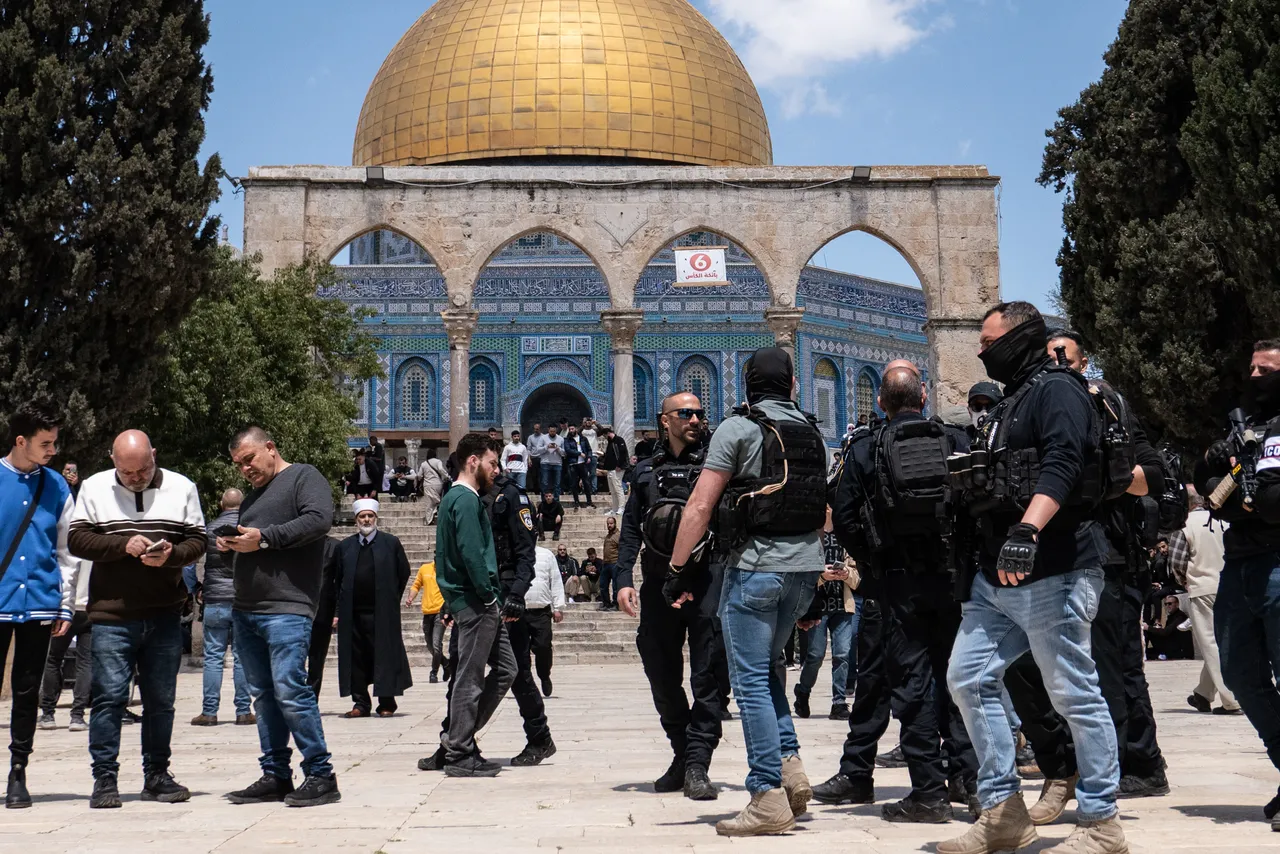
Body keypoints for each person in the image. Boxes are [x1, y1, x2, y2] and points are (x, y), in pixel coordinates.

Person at [940, 302, 1122, 854]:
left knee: (1074, 694)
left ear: (1020, 339)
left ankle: (1101, 821)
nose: (980, 350)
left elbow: (1064, 462)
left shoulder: (1058, 390)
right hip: (996, 578)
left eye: (989, 341)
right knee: (968, 679)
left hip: (1055, 567)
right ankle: (1003, 811)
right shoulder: (1008, 403)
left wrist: (1027, 529)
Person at [1003, 330, 1170, 831]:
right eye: (1048, 358)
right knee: (1035, 669)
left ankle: (1131, 768)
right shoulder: (1029, 409)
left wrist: (1099, 476)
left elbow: (1154, 474)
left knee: (1112, 670)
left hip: (1110, 556)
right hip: (1052, 562)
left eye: (1064, 358)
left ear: (1083, 362)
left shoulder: (1109, 410)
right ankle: (1079, 767)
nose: (1056, 366)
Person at [668, 348, 829, 836]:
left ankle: (765, 795)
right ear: (794, 384)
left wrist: (677, 565)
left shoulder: (737, 429)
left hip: (757, 569)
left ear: (746, 385)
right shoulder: (811, 432)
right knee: (767, 673)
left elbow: (699, 505)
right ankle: (791, 769)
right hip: (805, 571)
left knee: (752, 682)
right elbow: (821, 513)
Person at [817, 364, 978, 824]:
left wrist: (872, 563)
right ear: (924, 396)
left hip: (896, 583)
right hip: (952, 582)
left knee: (911, 684)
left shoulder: (865, 449)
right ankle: (969, 779)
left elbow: (844, 517)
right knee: (958, 681)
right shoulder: (955, 441)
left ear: (880, 404)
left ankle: (928, 791)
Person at [69, 429, 206, 809]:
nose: (135, 479)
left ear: (154, 456)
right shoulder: (95, 488)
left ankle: (157, 775)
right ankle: (105, 779)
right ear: (114, 463)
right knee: (110, 698)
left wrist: (172, 555)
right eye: (127, 473)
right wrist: (121, 544)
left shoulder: (181, 487)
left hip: (163, 613)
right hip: (113, 615)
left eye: (143, 470)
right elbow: (78, 541)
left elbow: (198, 540)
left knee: (161, 701)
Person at [615, 391, 725, 802]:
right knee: (661, 673)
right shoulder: (645, 472)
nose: (695, 419)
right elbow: (630, 528)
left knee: (708, 678)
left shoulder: (717, 469)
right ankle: (683, 753)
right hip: (659, 585)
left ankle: (697, 765)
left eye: (699, 413)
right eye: (686, 413)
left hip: (705, 583)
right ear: (666, 420)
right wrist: (623, 576)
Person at [221, 426, 339, 808]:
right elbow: (255, 542)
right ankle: (276, 774)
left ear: (270, 447)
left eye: (250, 458)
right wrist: (232, 544)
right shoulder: (253, 498)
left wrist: (265, 537)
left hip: (287, 608)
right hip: (248, 609)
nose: (245, 469)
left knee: (291, 689)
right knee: (264, 697)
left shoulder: (304, 477)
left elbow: (320, 519)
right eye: (239, 464)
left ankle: (321, 774)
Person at [1196, 338, 1280, 830]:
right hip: (1240, 565)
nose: (1255, 377)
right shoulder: (1241, 429)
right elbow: (1203, 479)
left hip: (1276, 564)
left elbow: (1271, 503)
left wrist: (1241, 502)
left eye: (1266, 369)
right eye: (1251, 368)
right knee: (1241, 675)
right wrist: (1237, 495)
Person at [423, 433, 517, 777]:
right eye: (493, 462)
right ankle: (460, 752)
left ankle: (456, 739)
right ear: (473, 461)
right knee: (470, 677)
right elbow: (471, 554)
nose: (498, 469)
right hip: (477, 600)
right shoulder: (464, 500)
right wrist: (488, 594)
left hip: (476, 599)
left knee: (507, 669)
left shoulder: (457, 499)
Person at [1, 402, 79, 809]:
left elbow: (67, 551)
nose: (53, 450)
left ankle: (18, 771)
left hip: (40, 603)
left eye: (55, 441)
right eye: (45, 443)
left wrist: (65, 605)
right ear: (21, 441)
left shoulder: (57, 487)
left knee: (27, 689)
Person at [334, 499, 412, 717]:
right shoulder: (345, 547)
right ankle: (360, 703)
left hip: (382, 613)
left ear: (376, 518)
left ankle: (386, 702)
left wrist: (390, 597)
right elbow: (338, 579)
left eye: (370, 516)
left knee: (384, 655)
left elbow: (403, 572)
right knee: (356, 658)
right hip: (354, 614)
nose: (366, 520)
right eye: (362, 517)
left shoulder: (390, 543)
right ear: (356, 520)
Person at [1167, 488, 1238, 714]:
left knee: (1211, 645)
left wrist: (1184, 581)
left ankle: (1231, 699)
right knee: (1223, 641)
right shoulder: (1223, 520)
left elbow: (1177, 561)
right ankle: (1203, 693)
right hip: (1229, 584)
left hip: (1202, 587)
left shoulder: (1184, 525)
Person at [191, 488, 253, 727]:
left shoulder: (208, 530)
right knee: (241, 657)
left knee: (213, 658)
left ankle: (209, 712)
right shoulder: (247, 531)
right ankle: (243, 711)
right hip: (242, 599)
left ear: (220, 503)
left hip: (215, 599)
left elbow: (190, 566)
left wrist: (197, 587)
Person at [793, 522, 860, 722]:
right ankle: (803, 692)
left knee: (842, 654)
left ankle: (838, 703)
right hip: (818, 607)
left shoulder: (846, 539)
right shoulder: (811, 537)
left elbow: (857, 579)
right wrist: (822, 576)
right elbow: (801, 574)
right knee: (815, 655)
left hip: (842, 606)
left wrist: (846, 574)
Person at [524, 545, 565, 697]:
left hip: (541, 611)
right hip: (519, 611)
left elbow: (555, 580)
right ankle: (526, 683)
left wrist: (558, 606)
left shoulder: (546, 554)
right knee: (520, 651)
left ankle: (544, 675)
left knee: (543, 646)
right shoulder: (514, 552)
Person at [406, 559, 448, 683]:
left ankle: (433, 673)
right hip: (427, 612)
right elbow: (416, 585)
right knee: (430, 645)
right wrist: (410, 598)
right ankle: (446, 664)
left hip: (440, 612)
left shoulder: (446, 571)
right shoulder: (424, 569)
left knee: (436, 644)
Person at [307, 538, 339, 697]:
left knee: (317, 658)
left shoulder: (335, 546)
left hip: (324, 610)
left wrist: (337, 612)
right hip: (297, 608)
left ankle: (312, 697)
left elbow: (340, 581)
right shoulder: (298, 543)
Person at [1144, 595, 1194, 660]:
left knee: (1149, 631)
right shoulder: (1172, 616)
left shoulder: (1180, 617)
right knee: (1146, 651)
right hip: (1171, 645)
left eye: (1170, 604)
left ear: (1177, 604)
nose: (1167, 606)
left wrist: (1148, 628)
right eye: (1165, 604)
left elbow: (1166, 632)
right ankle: (1159, 655)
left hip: (1179, 650)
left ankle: (1161, 656)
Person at [599, 425, 629, 517]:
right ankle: (615, 508)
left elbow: (623, 453)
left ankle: (621, 508)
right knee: (613, 490)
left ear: (608, 434)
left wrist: (619, 465)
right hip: (610, 469)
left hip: (617, 469)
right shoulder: (610, 442)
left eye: (604, 436)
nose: (605, 438)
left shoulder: (619, 440)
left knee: (618, 488)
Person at [564, 425, 594, 509]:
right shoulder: (567, 440)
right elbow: (568, 450)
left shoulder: (583, 439)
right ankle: (576, 502)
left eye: (572, 428)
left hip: (583, 464)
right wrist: (579, 453)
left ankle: (589, 502)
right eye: (569, 429)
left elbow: (589, 449)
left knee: (586, 483)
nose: (571, 430)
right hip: (573, 464)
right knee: (574, 484)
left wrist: (589, 457)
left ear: (576, 429)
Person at [417, 450, 450, 524]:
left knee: (429, 503)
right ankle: (435, 512)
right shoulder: (438, 461)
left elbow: (419, 475)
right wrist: (447, 476)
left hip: (428, 485)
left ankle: (429, 520)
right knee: (437, 501)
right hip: (438, 484)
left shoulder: (424, 464)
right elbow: (441, 469)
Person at [599, 516, 620, 610]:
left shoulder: (618, 536)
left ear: (615, 524)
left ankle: (616, 604)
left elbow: (622, 549)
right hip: (606, 564)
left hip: (615, 563)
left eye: (611, 523)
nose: (609, 525)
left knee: (615, 586)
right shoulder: (608, 536)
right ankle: (606, 604)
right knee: (603, 585)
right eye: (608, 524)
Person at [543, 426, 565, 501]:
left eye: (554, 431)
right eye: (551, 431)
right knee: (545, 483)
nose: (552, 433)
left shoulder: (561, 439)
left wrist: (558, 448)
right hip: (545, 463)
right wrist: (546, 447)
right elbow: (537, 450)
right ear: (548, 430)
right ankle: (544, 500)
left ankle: (556, 501)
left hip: (557, 463)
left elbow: (564, 453)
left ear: (556, 431)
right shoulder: (543, 438)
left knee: (557, 484)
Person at [527, 423, 548, 495]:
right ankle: (536, 491)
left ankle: (543, 491)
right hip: (533, 458)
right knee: (534, 475)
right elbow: (528, 449)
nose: (536, 430)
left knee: (542, 475)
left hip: (542, 458)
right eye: (535, 429)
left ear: (540, 429)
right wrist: (529, 459)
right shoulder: (530, 437)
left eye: (537, 429)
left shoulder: (544, 437)